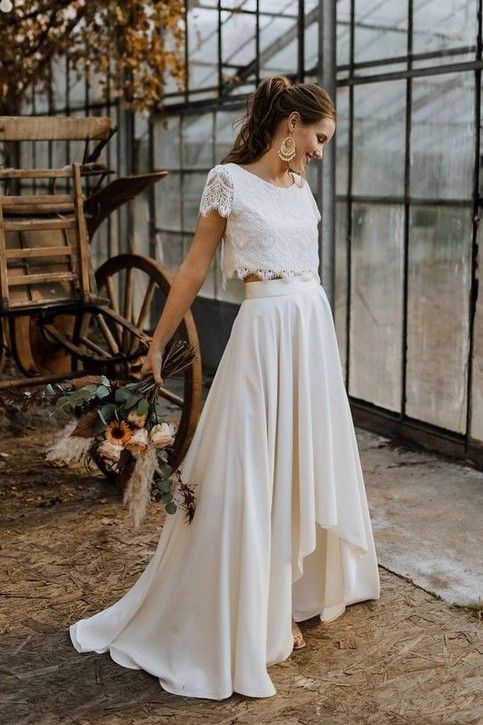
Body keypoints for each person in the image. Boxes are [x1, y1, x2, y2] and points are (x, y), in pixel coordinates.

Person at [69, 75, 380, 700]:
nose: (322, 149)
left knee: (298, 463)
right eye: (319, 137)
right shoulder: (228, 182)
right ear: (291, 125)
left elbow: (307, 271)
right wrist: (157, 342)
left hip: (310, 338)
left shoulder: (302, 188)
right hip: (263, 337)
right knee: (249, 473)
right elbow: (194, 266)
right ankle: (252, 614)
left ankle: (291, 596)